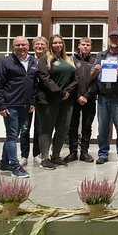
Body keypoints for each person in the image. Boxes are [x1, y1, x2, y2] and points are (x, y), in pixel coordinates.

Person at [0, 36, 38, 178]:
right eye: (18, 45)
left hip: (25, 106)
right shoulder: (5, 62)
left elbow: (34, 84)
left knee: (14, 135)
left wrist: (32, 102)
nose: (21, 47)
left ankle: (4, 163)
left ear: (28, 46)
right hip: (10, 105)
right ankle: (15, 166)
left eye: (23, 44)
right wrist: (0, 105)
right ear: (13, 46)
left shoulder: (33, 61)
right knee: (12, 136)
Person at [36, 34, 78, 170]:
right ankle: (45, 159)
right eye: (55, 43)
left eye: (60, 42)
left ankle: (56, 156)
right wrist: (60, 92)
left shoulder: (68, 59)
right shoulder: (44, 59)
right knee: (47, 129)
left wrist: (67, 92)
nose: (58, 45)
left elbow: (75, 78)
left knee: (62, 129)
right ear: (51, 45)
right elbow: (44, 78)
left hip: (65, 101)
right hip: (48, 100)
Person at [91, 30, 118, 165]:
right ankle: (103, 154)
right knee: (103, 128)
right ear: (108, 39)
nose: (114, 40)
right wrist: (96, 70)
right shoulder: (100, 56)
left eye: (117, 38)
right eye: (112, 38)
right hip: (103, 96)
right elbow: (92, 76)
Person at [64, 37, 97, 163]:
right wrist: (77, 96)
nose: (85, 47)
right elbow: (69, 80)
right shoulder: (71, 60)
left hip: (90, 98)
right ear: (79, 46)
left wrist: (87, 96)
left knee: (87, 126)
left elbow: (96, 82)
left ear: (91, 47)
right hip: (74, 99)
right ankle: (73, 152)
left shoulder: (95, 61)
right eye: (83, 44)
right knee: (73, 126)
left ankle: (84, 152)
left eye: (88, 45)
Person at [19, 36, 47, 166]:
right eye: (37, 44)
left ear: (46, 46)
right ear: (33, 46)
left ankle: (37, 154)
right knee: (25, 128)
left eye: (42, 44)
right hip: (27, 99)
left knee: (39, 128)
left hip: (42, 99)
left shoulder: (48, 60)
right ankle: (24, 155)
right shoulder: (28, 60)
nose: (40, 46)